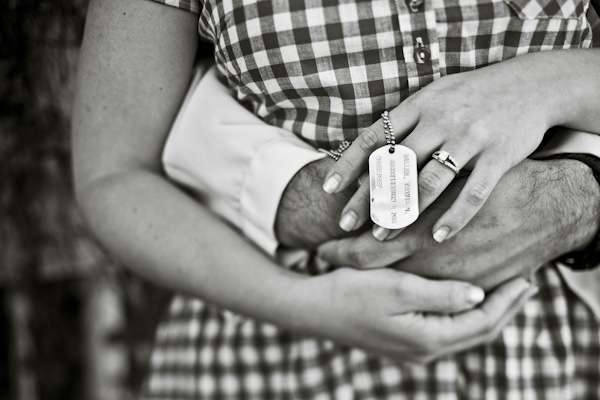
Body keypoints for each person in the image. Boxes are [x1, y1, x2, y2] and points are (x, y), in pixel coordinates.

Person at [71, 0, 600, 399]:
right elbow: (114, 176)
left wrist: (549, 87)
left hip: (548, 341)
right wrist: (296, 304)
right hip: (266, 342)